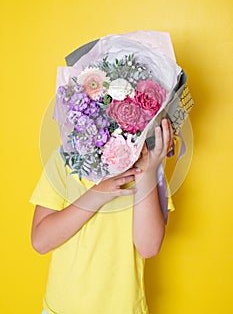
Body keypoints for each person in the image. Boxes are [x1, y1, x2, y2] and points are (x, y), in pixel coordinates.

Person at [30, 118, 175, 314]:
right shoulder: (64, 160)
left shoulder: (149, 168)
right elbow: (41, 241)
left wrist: (146, 172)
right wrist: (96, 196)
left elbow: (148, 247)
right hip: (62, 308)